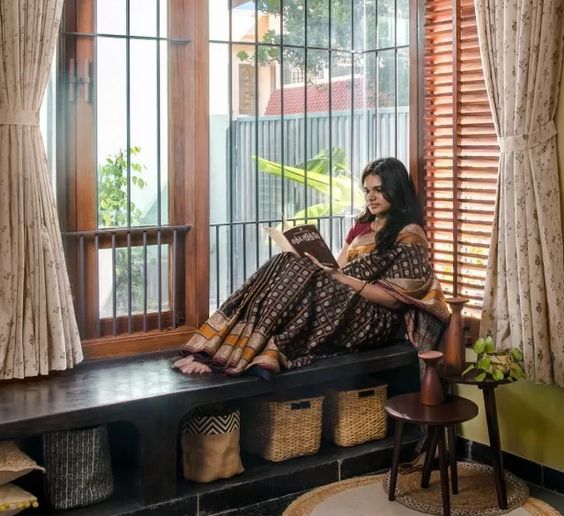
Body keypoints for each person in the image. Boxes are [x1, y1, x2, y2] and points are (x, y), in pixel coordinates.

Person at [173, 157, 449, 378]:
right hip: (342, 299)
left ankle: (240, 353)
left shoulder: (410, 234)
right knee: (285, 261)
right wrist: (319, 266)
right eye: (367, 190)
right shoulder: (362, 226)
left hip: (376, 316)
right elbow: (339, 266)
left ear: (396, 191)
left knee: (294, 272)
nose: (371, 197)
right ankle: (220, 347)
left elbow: (393, 299)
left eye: (378, 190)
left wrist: (338, 277)